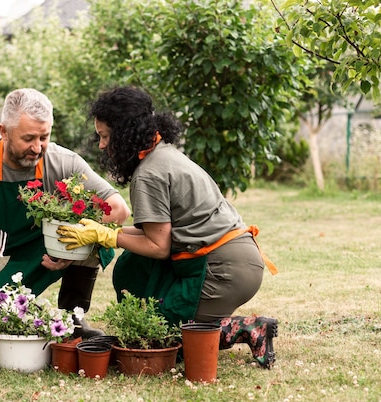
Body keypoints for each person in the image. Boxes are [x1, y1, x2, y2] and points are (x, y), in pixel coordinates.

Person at [57, 86, 279, 368]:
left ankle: (249, 328)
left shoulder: (149, 174)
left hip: (222, 268)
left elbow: (158, 247)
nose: (101, 145)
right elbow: (158, 234)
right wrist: (106, 233)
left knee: (159, 340)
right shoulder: (164, 154)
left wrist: (108, 235)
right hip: (234, 259)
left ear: (125, 133)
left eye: (105, 136)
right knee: (132, 266)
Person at [0, 88, 130, 339]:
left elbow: (118, 209)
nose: (37, 147)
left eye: (44, 137)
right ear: (4, 132)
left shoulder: (63, 161)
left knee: (98, 242)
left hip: (41, 255)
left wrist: (71, 250)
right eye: (28, 138)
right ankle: (23, 311)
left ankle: (74, 321)